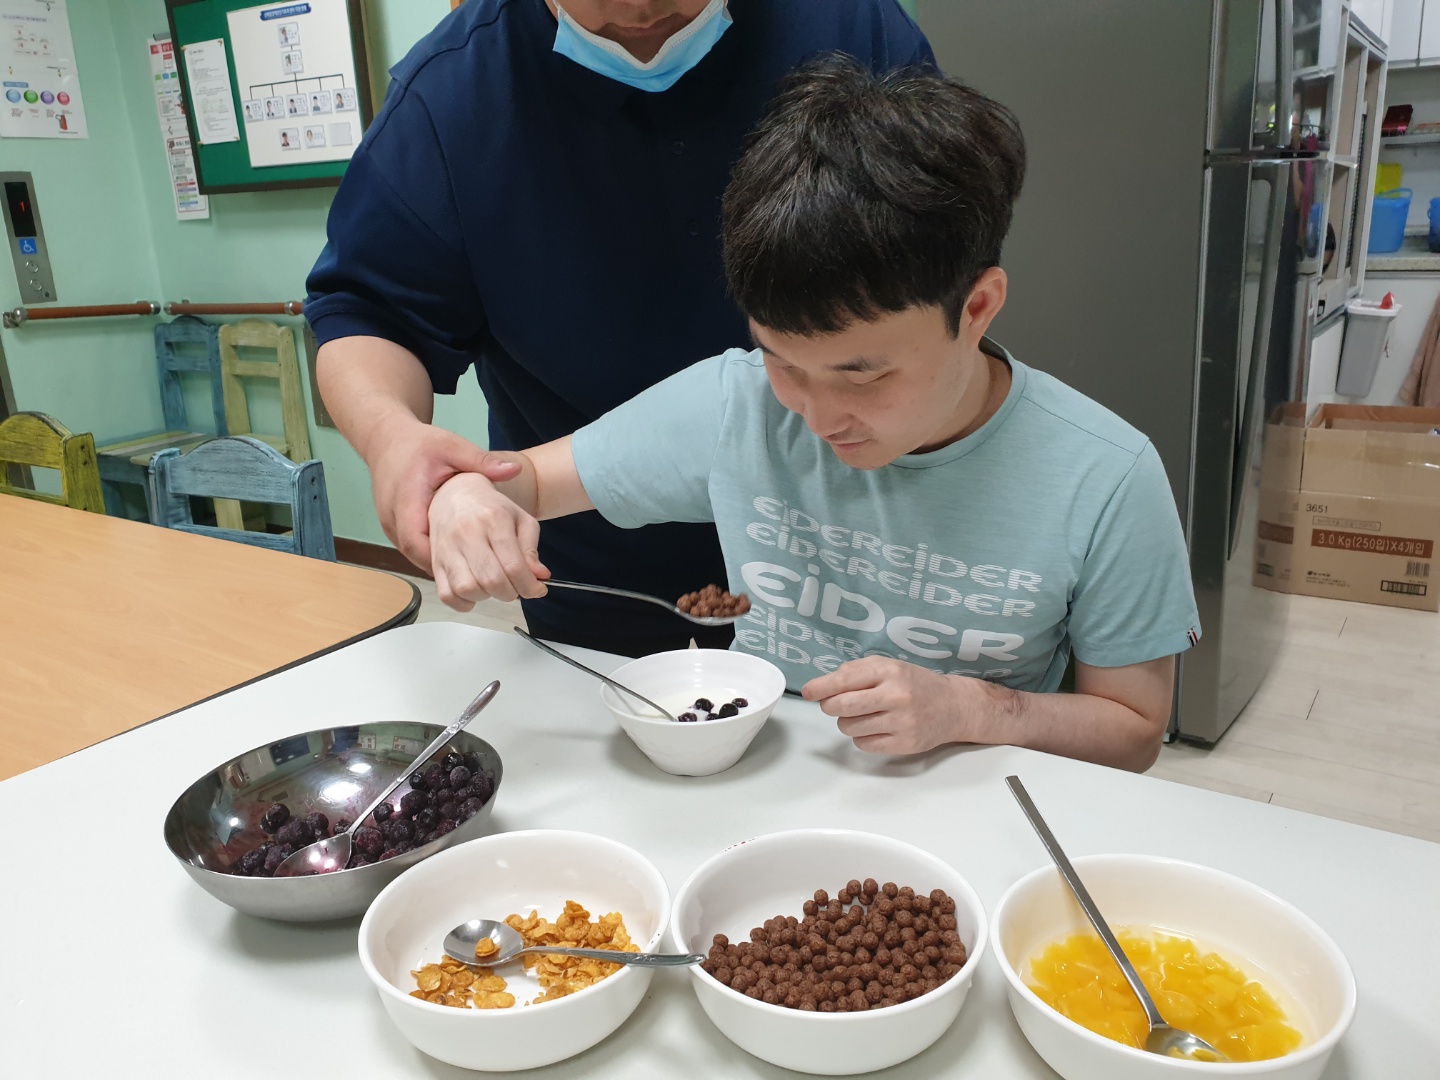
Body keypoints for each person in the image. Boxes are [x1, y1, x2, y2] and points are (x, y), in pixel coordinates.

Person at [423, 57, 1201, 772]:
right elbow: (521, 482)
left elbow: (1133, 729)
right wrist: (468, 499)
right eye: (784, 362)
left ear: (977, 307)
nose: (820, 418)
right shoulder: (736, 405)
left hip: (976, 798)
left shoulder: (1106, 475)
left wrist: (971, 708)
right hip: (767, 783)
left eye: (864, 374)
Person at [305, 0, 933, 656]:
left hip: (854, 550)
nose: (642, 9)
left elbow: (939, 269)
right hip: (599, 560)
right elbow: (371, 311)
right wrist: (398, 441)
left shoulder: (854, 30)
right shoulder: (449, 98)